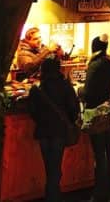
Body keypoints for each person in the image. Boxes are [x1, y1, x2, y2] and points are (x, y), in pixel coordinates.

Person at [28, 57, 79, 202]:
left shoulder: (36, 88)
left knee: (49, 167)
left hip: (43, 131)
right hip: (59, 131)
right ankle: (53, 196)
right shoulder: (65, 86)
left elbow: (32, 111)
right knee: (55, 167)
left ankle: (52, 195)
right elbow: (73, 108)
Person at [84, 34, 110, 202]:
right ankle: (108, 188)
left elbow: (87, 92)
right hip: (108, 112)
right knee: (109, 151)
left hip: (95, 113)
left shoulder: (94, 65)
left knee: (99, 153)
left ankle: (99, 192)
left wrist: (77, 91)